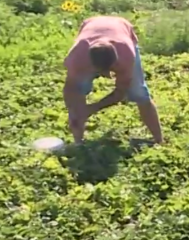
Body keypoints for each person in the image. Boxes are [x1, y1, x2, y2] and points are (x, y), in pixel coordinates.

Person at [63, 16, 163, 145]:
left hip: (121, 28)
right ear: (91, 65)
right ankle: (79, 142)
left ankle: (159, 141)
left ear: (116, 61)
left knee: (139, 92)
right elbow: (70, 89)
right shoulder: (77, 59)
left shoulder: (126, 55)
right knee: (78, 92)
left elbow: (120, 93)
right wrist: (75, 111)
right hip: (91, 26)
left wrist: (91, 109)